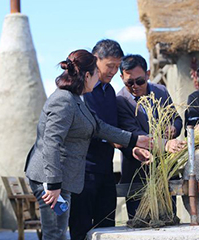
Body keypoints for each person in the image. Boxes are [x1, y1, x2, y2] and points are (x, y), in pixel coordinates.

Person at [24, 49, 149, 240]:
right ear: (88, 75)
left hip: (62, 178)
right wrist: (54, 184)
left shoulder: (77, 99)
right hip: (49, 178)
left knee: (59, 232)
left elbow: (99, 127)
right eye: (96, 74)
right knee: (55, 233)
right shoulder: (63, 100)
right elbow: (51, 142)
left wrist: (135, 139)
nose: (100, 78)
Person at [69, 39, 125, 240]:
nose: (113, 71)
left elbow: (114, 128)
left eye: (117, 67)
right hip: (83, 171)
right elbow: (96, 127)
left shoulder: (110, 92)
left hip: (106, 170)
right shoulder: (81, 91)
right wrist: (122, 139)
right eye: (110, 66)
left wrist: (129, 144)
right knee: (80, 228)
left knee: (108, 227)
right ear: (95, 60)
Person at [116, 54, 184, 218]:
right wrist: (165, 143)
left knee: (168, 220)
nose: (135, 86)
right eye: (129, 83)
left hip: (166, 170)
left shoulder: (160, 91)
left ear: (147, 74)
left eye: (139, 81)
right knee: (140, 224)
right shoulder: (120, 100)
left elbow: (176, 118)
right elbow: (135, 135)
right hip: (138, 173)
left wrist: (174, 128)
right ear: (121, 78)